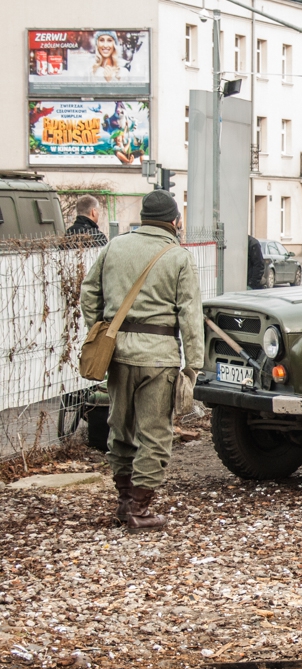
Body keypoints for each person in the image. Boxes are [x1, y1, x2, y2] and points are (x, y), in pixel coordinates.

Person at [80, 190, 203, 529]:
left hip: (117, 352)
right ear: (175, 221)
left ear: (144, 218)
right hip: (158, 356)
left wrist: (103, 330)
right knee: (155, 434)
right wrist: (193, 365)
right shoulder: (178, 257)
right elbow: (190, 315)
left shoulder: (114, 246)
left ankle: (123, 502)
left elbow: (88, 293)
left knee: (119, 427)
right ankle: (139, 509)